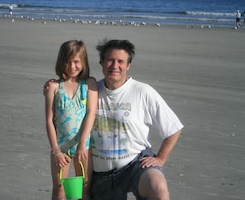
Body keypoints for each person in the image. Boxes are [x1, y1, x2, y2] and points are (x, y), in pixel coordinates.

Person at [45, 39, 184, 200]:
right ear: (102, 62)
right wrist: (50, 88)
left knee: (158, 189)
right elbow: (65, 99)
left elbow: (174, 128)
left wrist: (160, 158)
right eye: (110, 60)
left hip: (135, 165)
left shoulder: (143, 91)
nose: (114, 66)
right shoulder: (91, 89)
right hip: (102, 175)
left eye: (120, 61)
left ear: (128, 65)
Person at [45, 40, 98, 200]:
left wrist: (82, 144)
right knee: (59, 189)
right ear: (61, 62)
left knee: (84, 189)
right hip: (61, 148)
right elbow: (49, 120)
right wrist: (56, 151)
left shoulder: (89, 84)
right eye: (67, 62)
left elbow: (91, 113)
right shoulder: (54, 87)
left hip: (84, 147)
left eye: (76, 62)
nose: (72, 66)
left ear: (83, 62)